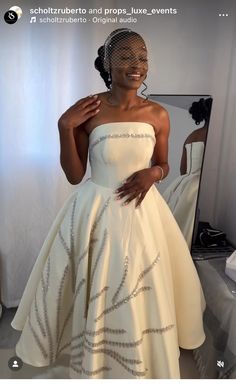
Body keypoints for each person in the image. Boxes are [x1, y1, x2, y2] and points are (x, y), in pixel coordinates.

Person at [11, 28, 206, 379]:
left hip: (142, 213)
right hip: (94, 213)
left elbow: (163, 162)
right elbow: (74, 175)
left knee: (138, 285)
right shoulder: (90, 110)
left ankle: (138, 360)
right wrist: (64, 127)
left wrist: (153, 174)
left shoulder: (158, 115)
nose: (137, 65)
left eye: (143, 57)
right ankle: (94, 362)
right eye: (126, 56)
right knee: (97, 283)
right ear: (106, 62)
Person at [163, 98, 212, 248]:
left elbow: (183, 168)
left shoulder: (192, 135)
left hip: (184, 182)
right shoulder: (213, 135)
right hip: (199, 184)